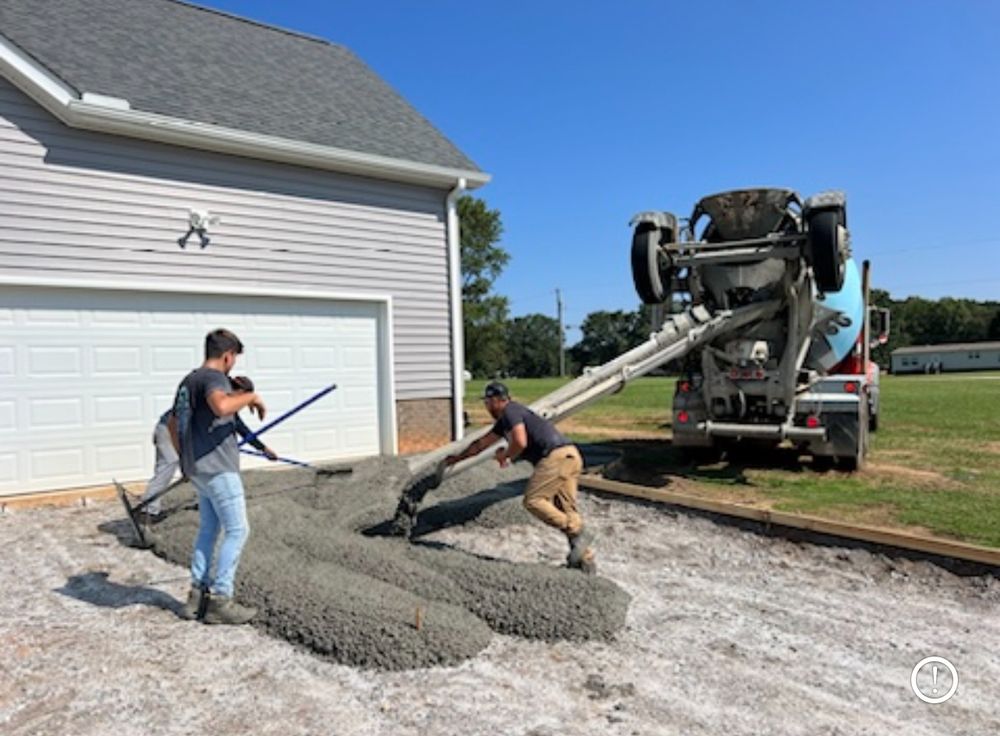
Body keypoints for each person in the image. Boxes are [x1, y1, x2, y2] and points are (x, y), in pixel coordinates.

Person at [169, 328, 268, 625]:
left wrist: (185, 459)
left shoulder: (188, 381)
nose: (233, 364)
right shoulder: (214, 380)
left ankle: (196, 598)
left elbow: (173, 424)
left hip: (198, 469)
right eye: (234, 357)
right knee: (238, 530)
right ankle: (221, 600)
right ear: (227, 356)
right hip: (219, 469)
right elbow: (222, 406)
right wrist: (252, 396)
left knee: (209, 530)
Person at [445, 381, 596, 573]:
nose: (487, 407)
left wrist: (507, 455)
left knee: (533, 501)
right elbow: (481, 444)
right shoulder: (506, 420)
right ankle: (585, 563)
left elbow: (520, 440)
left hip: (554, 457)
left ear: (498, 400)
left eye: (488, 403)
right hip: (570, 456)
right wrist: (458, 458)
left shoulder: (510, 411)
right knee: (565, 508)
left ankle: (579, 531)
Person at [138, 388, 275, 523]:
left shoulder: (224, 402)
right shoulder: (218, 400)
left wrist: (263, 449)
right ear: (237, 392)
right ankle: (148, 511)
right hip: (168, 430)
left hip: (186, 435)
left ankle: (208, 502)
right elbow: (240, 428)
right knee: (168, 466)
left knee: (203, 466)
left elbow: (239, 429)